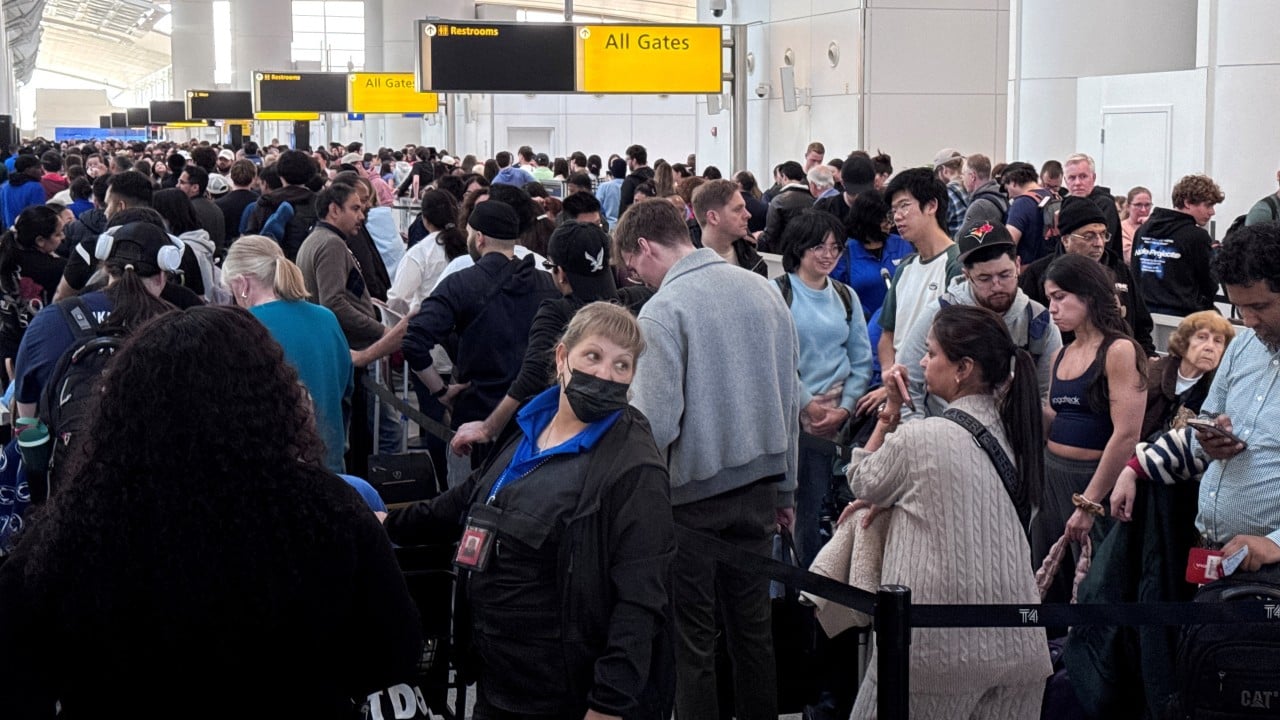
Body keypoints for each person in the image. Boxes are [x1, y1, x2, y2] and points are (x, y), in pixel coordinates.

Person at [0, 306, 423, 717]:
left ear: (120, 412)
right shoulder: (329, 510)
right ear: (270, 399)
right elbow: (393, 653)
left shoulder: (73, 530)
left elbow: (18, 674)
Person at [385, 302, 676, 720]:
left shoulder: (634, 468)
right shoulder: (531, 424)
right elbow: (471, 495)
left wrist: (608, 705)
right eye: (593, 356)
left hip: (564, 694)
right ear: (562, 358)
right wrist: (389, 523)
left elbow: (640, 601)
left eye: (622, 365)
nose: (605, 374)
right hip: (498, 680)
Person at [614, 199, 798, 720]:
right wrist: (787, 490)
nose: (638, 279)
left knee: (692, 640)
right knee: (753, 632)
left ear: (644, 248)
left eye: (633, 268)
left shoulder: (663, 311)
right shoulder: (764, 290)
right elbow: (790, 398)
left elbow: (655, 424)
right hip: (761, 488)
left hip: (689, 502)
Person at [843, 304, 1051, 719]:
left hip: (934, 650)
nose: (922, 362)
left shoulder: (921, 437)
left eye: (931, 353)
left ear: (963, 368)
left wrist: (889, 413)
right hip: (1020, 646)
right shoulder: (1018, 436)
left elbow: (862, 479)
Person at [1034, 253, 1147, 603]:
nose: (1052, 308)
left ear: (1088, 295)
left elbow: (1127, 435)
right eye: (1049, 299)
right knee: (1049, 580)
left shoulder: (1119, 350)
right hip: (1054, 476)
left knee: (1094, 586)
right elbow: (1054, 418)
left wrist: (1089, 503)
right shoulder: (1061, 354)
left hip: (1095, 479)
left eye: (1059, 297)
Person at [772, 210, 873, 566]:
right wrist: (807, 405)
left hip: (838, 419)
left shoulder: (845, 295)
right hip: (791, 416)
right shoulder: (778, 293)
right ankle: (792, 579)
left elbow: (861, 358)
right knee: (791, 505)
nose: (829, 255)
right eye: (819, 246)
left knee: (820, 506)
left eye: (835, 247)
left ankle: (817, 577)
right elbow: (775, 358)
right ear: (799, 247)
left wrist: (844, 408)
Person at [12, 220, 175, 419]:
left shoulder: (50, 319)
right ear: (162, 276)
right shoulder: (178, 328)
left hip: (65, 435)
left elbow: (26, 414)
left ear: (106, 268)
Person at [899, 222, 1062, 419]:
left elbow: (1047, 396)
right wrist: (919, 431)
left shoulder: (1039, 322)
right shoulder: (938, 314)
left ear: (1018, 265)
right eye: (984, 278)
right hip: (944, 428)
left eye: (1005, 275)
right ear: (966, 275)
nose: (997, 286)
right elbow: (908, 385)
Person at [223, 235, 353, 475]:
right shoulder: (326, 318)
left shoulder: (241, 329)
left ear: (242, 284)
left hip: (273, 474)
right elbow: (345, 388)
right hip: (330, 466)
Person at [1130, 174, 1224, 316]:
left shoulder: (1143, 230)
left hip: (1143, 314)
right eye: (1208, 205)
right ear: (1187, 203)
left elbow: (1135, 272)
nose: (1212, 212)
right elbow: (1208, 283)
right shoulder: (1197, 236)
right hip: (1183, 316)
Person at [0, 205, 67, 377]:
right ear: (40, 240)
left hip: (7, 339)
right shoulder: (56, 268)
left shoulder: (6, 255)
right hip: (38, 345)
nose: (63, 237)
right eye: (58, 234)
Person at [1119, 186, 1153, 263]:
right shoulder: (1121, 228)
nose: (1143, 210)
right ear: (1128, 207)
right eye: (1138, 205)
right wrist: (1146, 229)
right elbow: (1130, 257)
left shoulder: (1156, 227)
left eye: (1147, 205)